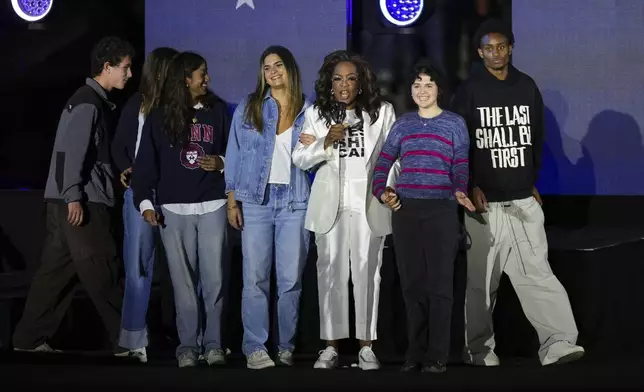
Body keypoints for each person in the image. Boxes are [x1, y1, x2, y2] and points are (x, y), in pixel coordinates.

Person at [451, 18, 585, 367]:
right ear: (480, 52)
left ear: (510, 47)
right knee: (481, 284)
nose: (495, 52)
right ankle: (478, 351)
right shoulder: (469, 90)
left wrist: (531, 181)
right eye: (488, 47)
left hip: (523, 200)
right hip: (484, 206)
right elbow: (457, 142)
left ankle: (558, 343)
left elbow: (535, 137)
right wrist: (468, 184)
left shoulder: (526, 86)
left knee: (538, 274)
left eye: (501, 46)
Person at [12, 36, 135, 354]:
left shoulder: (89, 101)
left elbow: (83, 154)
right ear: (106, 68)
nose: (129, 74)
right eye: (125, 67)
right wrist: (74, 197)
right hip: (82, 202)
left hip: (67, 199)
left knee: (55, 274)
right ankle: (129, 341)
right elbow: (70, 152)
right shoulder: (88, 102)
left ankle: (29, 340)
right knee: (104, 268)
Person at [292, 50, 397, 370]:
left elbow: (393, 156)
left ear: (361, 83)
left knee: (368, 275)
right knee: (330, 275)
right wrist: (325, 141)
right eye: (337, 79)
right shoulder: (316, 114)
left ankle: (367, 346)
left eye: (351, 78)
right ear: (329, 83)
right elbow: (299, 158)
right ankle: (330, 347)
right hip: (330, 207)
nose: (344, 85)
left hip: (368, 205)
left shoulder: (382, 113)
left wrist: (390, 189)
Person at [372, 60, 474, 373]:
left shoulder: (455, 123)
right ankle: (413, 354)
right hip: (406, 211)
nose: (422, 90)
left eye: (428, 84)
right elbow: (382, 163)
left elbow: (460, 164)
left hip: (442, 210)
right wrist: (383, 192)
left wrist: (459, 190)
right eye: (417, 84)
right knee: (412, 286)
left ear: (439, 89)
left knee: (440, 286)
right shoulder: (403, 124)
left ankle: (437, 356)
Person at [130, 51, 230, 368]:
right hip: (173, 210)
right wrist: (146, 204)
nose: (208, 78)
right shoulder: (159, 117)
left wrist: (222, 163)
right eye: (202, 73)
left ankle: (213, 344)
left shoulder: (217, 111)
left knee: (214, 280)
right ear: (186, 78)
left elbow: (236, 153)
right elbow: (144, 166)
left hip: (212, 204)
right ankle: (188, 346)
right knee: (183, 284)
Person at [224, 45, 315, 370]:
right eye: (266, 67)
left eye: (278, 65)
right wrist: (232, 199)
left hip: (295, 201)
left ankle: (286, 346)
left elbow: (317, 158)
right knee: (255, 278)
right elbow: (233, 153)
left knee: (290, 280)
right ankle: (255, 347)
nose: (272, 71)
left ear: (290, 68)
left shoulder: (309, 110)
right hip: (256, 201)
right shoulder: (250, 107)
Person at [110, 47, 178, 362]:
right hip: (140, 194)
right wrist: (127, 168)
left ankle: (195, 338)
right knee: (139, 266)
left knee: (183, 268)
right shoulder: (137, 104)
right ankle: (133, 339)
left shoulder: (181, 107)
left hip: (176, 194)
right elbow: (120, 145)